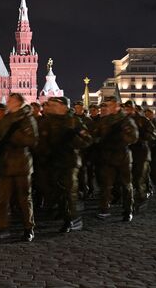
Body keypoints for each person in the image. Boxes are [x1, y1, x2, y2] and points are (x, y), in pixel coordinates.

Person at [40, 97, 92, 232]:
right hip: (53, 161)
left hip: (70, 161)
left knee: (69, 191)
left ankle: (71, 220)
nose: (50, 106)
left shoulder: (74, 121)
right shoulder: (47, 121)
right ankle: (65, 214)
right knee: (57, 192)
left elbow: (87, 140)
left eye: (53, 104)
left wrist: (71, 142)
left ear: (63, 106)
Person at [0, 93, 38, 242]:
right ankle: (1, 228)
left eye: (10, 101)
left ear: (18, 103)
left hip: (21, 163)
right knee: (2, 199)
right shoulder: (7, 118)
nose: (7, 102)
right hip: (4, 163)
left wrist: (13, 136)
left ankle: (28, 228)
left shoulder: (27, 119)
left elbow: (32, 140)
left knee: (24, 198)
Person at [95, 97, 139, 222]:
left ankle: (128, 210)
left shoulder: (126, 120)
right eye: (107, 105)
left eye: (111, 105)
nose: (108, 107)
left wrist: (119, 139)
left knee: (126, 185)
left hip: (122, 156)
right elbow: (96, 134)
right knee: (106, 185)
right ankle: (104, 209)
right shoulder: (104, 121)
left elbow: (134, 137)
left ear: (117, 106)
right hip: (108, 156)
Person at [123, 100, 156, 208]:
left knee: (139, 178)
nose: (127, 110)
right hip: (128, 153)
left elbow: (153, 134)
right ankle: (131, 201)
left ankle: (141, 197)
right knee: (128, 179)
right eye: (126, 109)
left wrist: (140, 137)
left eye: (129, 108)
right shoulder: (123, 121)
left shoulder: (143, 120)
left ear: (134, 109)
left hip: (141, 152)